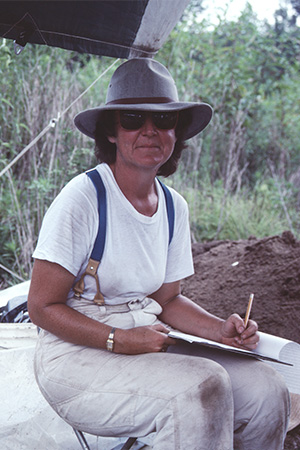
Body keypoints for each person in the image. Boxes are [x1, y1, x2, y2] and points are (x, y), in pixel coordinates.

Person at [28, 58, 290, 450]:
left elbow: (166, 299)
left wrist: (219, 330)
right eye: (133, 118)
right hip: (75, 357)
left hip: (143, 342)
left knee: (266, 387)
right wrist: (120, 339)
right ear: (112, 132)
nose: (149, 131)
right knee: (200, 389)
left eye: (163, 120)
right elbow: (41, 307)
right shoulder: (83, 199)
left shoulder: (173, 207)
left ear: (176, 132)